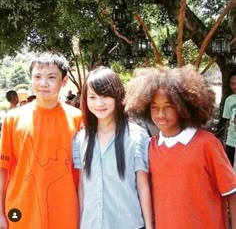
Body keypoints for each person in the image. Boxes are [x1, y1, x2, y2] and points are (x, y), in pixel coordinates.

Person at [124, 65, 236, 229]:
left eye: (168, 107)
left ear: (184, 106)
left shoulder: (207, 143)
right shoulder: (150, 147)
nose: (160, 114)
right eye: (154, 107)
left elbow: (231, 192)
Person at [0, 51, 82, 229]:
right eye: (37, 76)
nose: (43, 83)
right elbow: (3, 169)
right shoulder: (12, 119)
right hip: (21, 211)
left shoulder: (78, 119)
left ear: (64, 80)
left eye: (51, 77)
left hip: (66, 211)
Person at [72, 66, 153, 229]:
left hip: (128, 223)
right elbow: (82, 185)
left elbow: (143, 185)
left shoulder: (137, 136)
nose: (99, 103)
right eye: (92, 97)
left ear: (117, 96)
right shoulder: (81, 139)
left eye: (105, 96)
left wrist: (150, 226)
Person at [222, 71, 236, 169]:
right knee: (230, 170)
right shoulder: (229, 100)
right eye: (232, 84)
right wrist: (224, 139)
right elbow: (227, 121)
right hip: (231, 141)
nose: (235, 86)